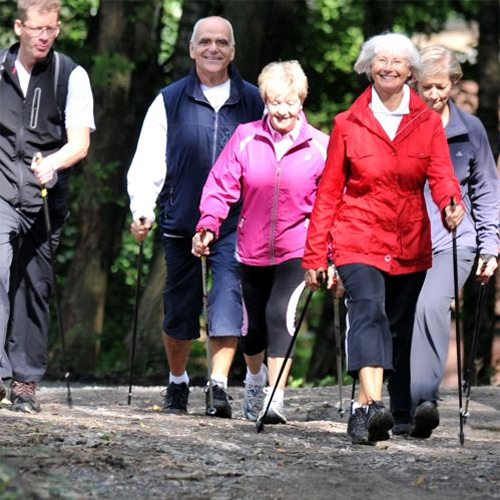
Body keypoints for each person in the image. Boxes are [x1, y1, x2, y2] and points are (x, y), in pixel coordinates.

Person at [302, 32, 465, 445]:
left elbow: (443, 175)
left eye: (397, 61)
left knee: (398, 327)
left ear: (411, 70)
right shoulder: (347, 123)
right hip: (357, 234)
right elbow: (328, 192)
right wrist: (314, 255)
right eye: (380, 60)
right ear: (368, 67)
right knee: (369, 311)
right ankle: (372, 409)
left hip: (409, 237)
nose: (388, 67)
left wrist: (450, 202)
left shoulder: (426, 122)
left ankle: (403, 412)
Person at [127, 16, 263, 418]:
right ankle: (178, 381)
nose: (213, 48)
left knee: (227, 298)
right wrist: (141, 208)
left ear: (233, 51)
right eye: (205, 41)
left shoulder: (255, 101)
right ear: (191, 49)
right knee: (181, 307)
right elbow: (148, 160)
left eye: (222, 42)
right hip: (182, 217)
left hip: (235, 222)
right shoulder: (169, 99)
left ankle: (218, 387)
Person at [192, 60, 328, 424]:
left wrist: (328, 253)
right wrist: (208, 223)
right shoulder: (246, 137)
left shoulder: (320, 146)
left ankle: (275, 399)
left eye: (289, 101)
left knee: (279, 314)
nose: (282, 110)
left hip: (296, 249)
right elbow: (220, 186)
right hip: (250, 248)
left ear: (302, 100)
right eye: (274, 102)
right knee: (252, 328)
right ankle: (254, 381)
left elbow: (330, 203)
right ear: (265, 101)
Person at [400, 45, 499, 438]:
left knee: (430, 306)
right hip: (404, 241)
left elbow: (487, 191)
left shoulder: (469, 129)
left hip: (453, 242)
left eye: (441, 86)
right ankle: (400, 402)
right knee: (402, 313)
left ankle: (425, 401)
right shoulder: (400, 123)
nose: (433, 94)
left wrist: (491, 245)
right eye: (426, 86)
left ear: (453, 83)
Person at [0, 0, 94, 412]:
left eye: (51, 30)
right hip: (1, 191)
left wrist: (53, 163)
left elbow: (79, 142)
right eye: (37, 28)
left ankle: (25, 382)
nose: (44, 36)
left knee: (34, 289)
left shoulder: (69, 75)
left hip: (45, 197)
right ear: (19, 26)